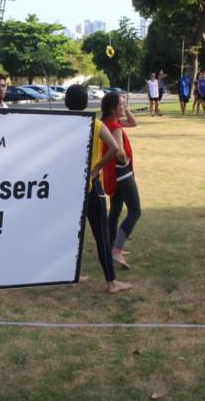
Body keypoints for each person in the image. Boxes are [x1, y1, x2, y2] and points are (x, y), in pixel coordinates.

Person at [64, 85, 132, 293]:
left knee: (70, 233)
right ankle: (112, 282)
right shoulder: (96, 124)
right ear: (86, 102)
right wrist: (97, 167)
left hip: (69, 186)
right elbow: (115, 148)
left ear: (67, 103)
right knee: (101, 234)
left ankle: (69, 275)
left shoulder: (62, 124)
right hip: (91, 186)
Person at [101, 92, 141, 270]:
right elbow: (118, 151)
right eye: (121, 105)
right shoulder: (115, 127)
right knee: (135, 211)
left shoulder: (107, 123)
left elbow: (133, 123)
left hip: (112, 174)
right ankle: (116, 249)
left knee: (115, 211)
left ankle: (110, 246)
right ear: (112, 108)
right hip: (122, 174)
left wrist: (126, 109)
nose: (124, 108)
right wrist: (124, 162)